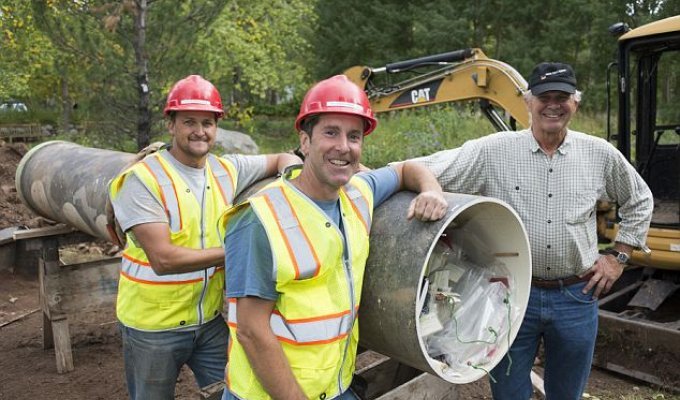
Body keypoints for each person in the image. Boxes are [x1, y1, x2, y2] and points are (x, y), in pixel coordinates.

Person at [412, 62, 653, 400]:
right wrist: (399, 183)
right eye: (544, 96)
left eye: (562, 97)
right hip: (510, 297)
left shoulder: (598, 154)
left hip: (577, 295)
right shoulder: (493, 151)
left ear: (575, 103)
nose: (553, 104)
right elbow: (425, 168)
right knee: (508, 392)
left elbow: (640, 199)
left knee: (566, 394)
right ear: (527, 101)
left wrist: (619, 257)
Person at [220, 75, 448, 400]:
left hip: (333, 386)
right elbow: (252, 331)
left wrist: (432, 190)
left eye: (354, 136)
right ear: (304, 141)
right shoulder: (261, 218)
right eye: (331, 132)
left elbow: (404, 169)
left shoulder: (357, 194)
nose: (344, 146)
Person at [108, 74, 301, 400]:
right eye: (190, 122)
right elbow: (163, 260)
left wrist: (292, 180)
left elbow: (283, 158)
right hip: (153, 328)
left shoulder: (226, 169)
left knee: (236, 391)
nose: (200, 131)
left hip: (209, 322)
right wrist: (237, 252)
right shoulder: (142, 179)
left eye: (208, 123)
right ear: (171, 124)